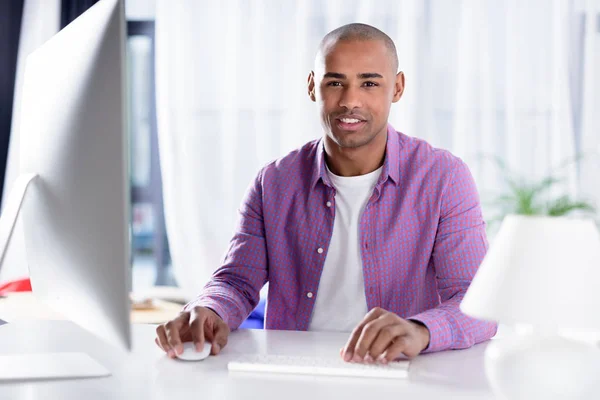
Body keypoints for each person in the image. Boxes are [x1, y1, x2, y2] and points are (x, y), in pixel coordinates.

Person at [155, 23, 497, 364]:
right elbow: (236, 282)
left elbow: (477, 303)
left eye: (369, 83)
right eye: (335, 82)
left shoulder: (443, 178)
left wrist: (419, 330)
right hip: (292, 373)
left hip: (398, 373)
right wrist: (207, 310)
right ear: (311, 87)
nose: (350, 101)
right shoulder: (273, 182)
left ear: (397, 87)